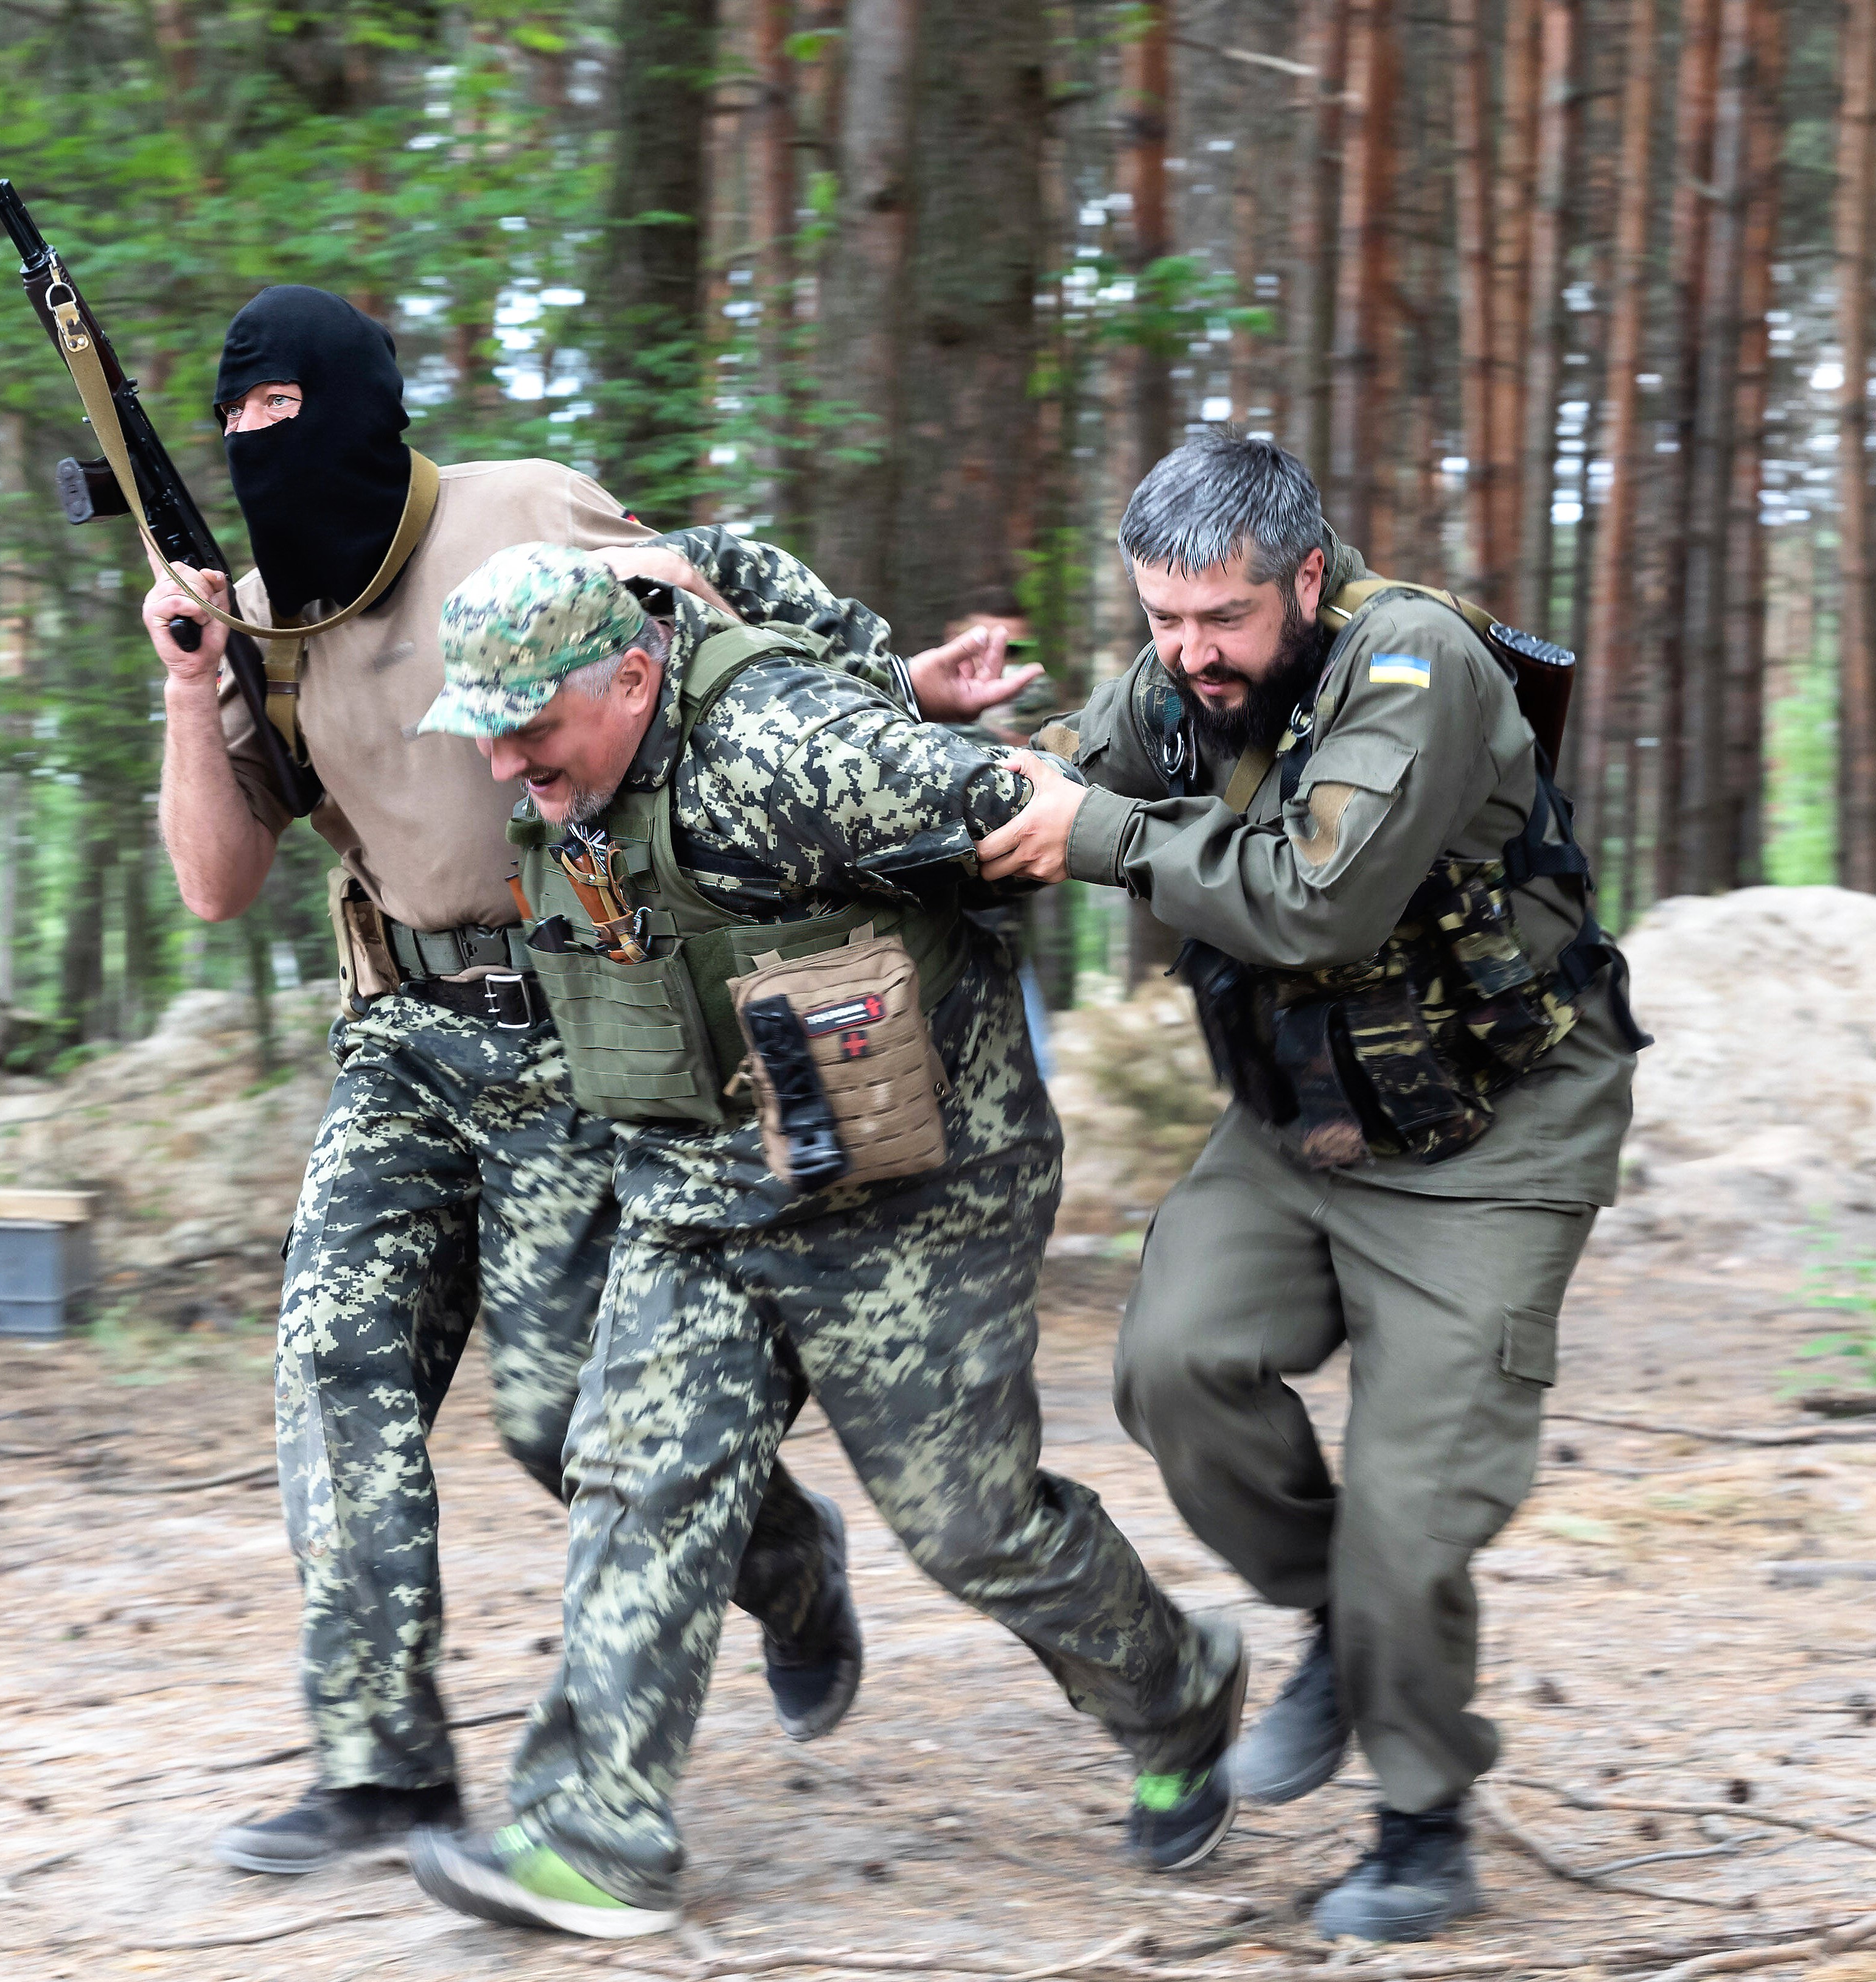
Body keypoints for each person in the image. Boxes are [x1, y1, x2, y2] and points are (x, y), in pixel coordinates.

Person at [145, 285, 934, 1876]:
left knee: (558, 1408)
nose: (278, 485)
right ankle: (383, 1767)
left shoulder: (528, 514)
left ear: (380, 424)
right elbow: (221, 882)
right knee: (332, 1370)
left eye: (302, 437)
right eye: (247, 451)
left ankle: (786, 1560)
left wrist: (894, 716)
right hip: (402, 1034)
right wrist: (187, 680)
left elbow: (706, 679)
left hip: (581, 1019)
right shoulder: (253, 616)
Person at [399, 545, 1249, 1940]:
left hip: (916, 1188)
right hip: (706, 1185)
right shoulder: (575, 765)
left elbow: (1031, 799)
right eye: (484, 734)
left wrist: (1235, 806)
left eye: (532, 730)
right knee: (634, 1476)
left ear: (629, 681)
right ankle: (592, 1833)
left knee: (968, 1526)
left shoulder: (789, 753)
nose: (506, 766)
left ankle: (1175, 1693)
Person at [972, 430, 1641, 1943]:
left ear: (1307, 578)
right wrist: (960, 759)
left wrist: (1099, 835)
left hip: (1493, 1134)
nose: (1191, 653)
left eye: (1223, 618)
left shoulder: (1411, 666)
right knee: (1173, 1367)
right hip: (1303, 1115)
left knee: (1412, 1516)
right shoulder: (1179, 685)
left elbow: (1315, 901)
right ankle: (1339, 1617)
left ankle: (1422, 1823)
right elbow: (1068, 777)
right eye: (1162, 616)